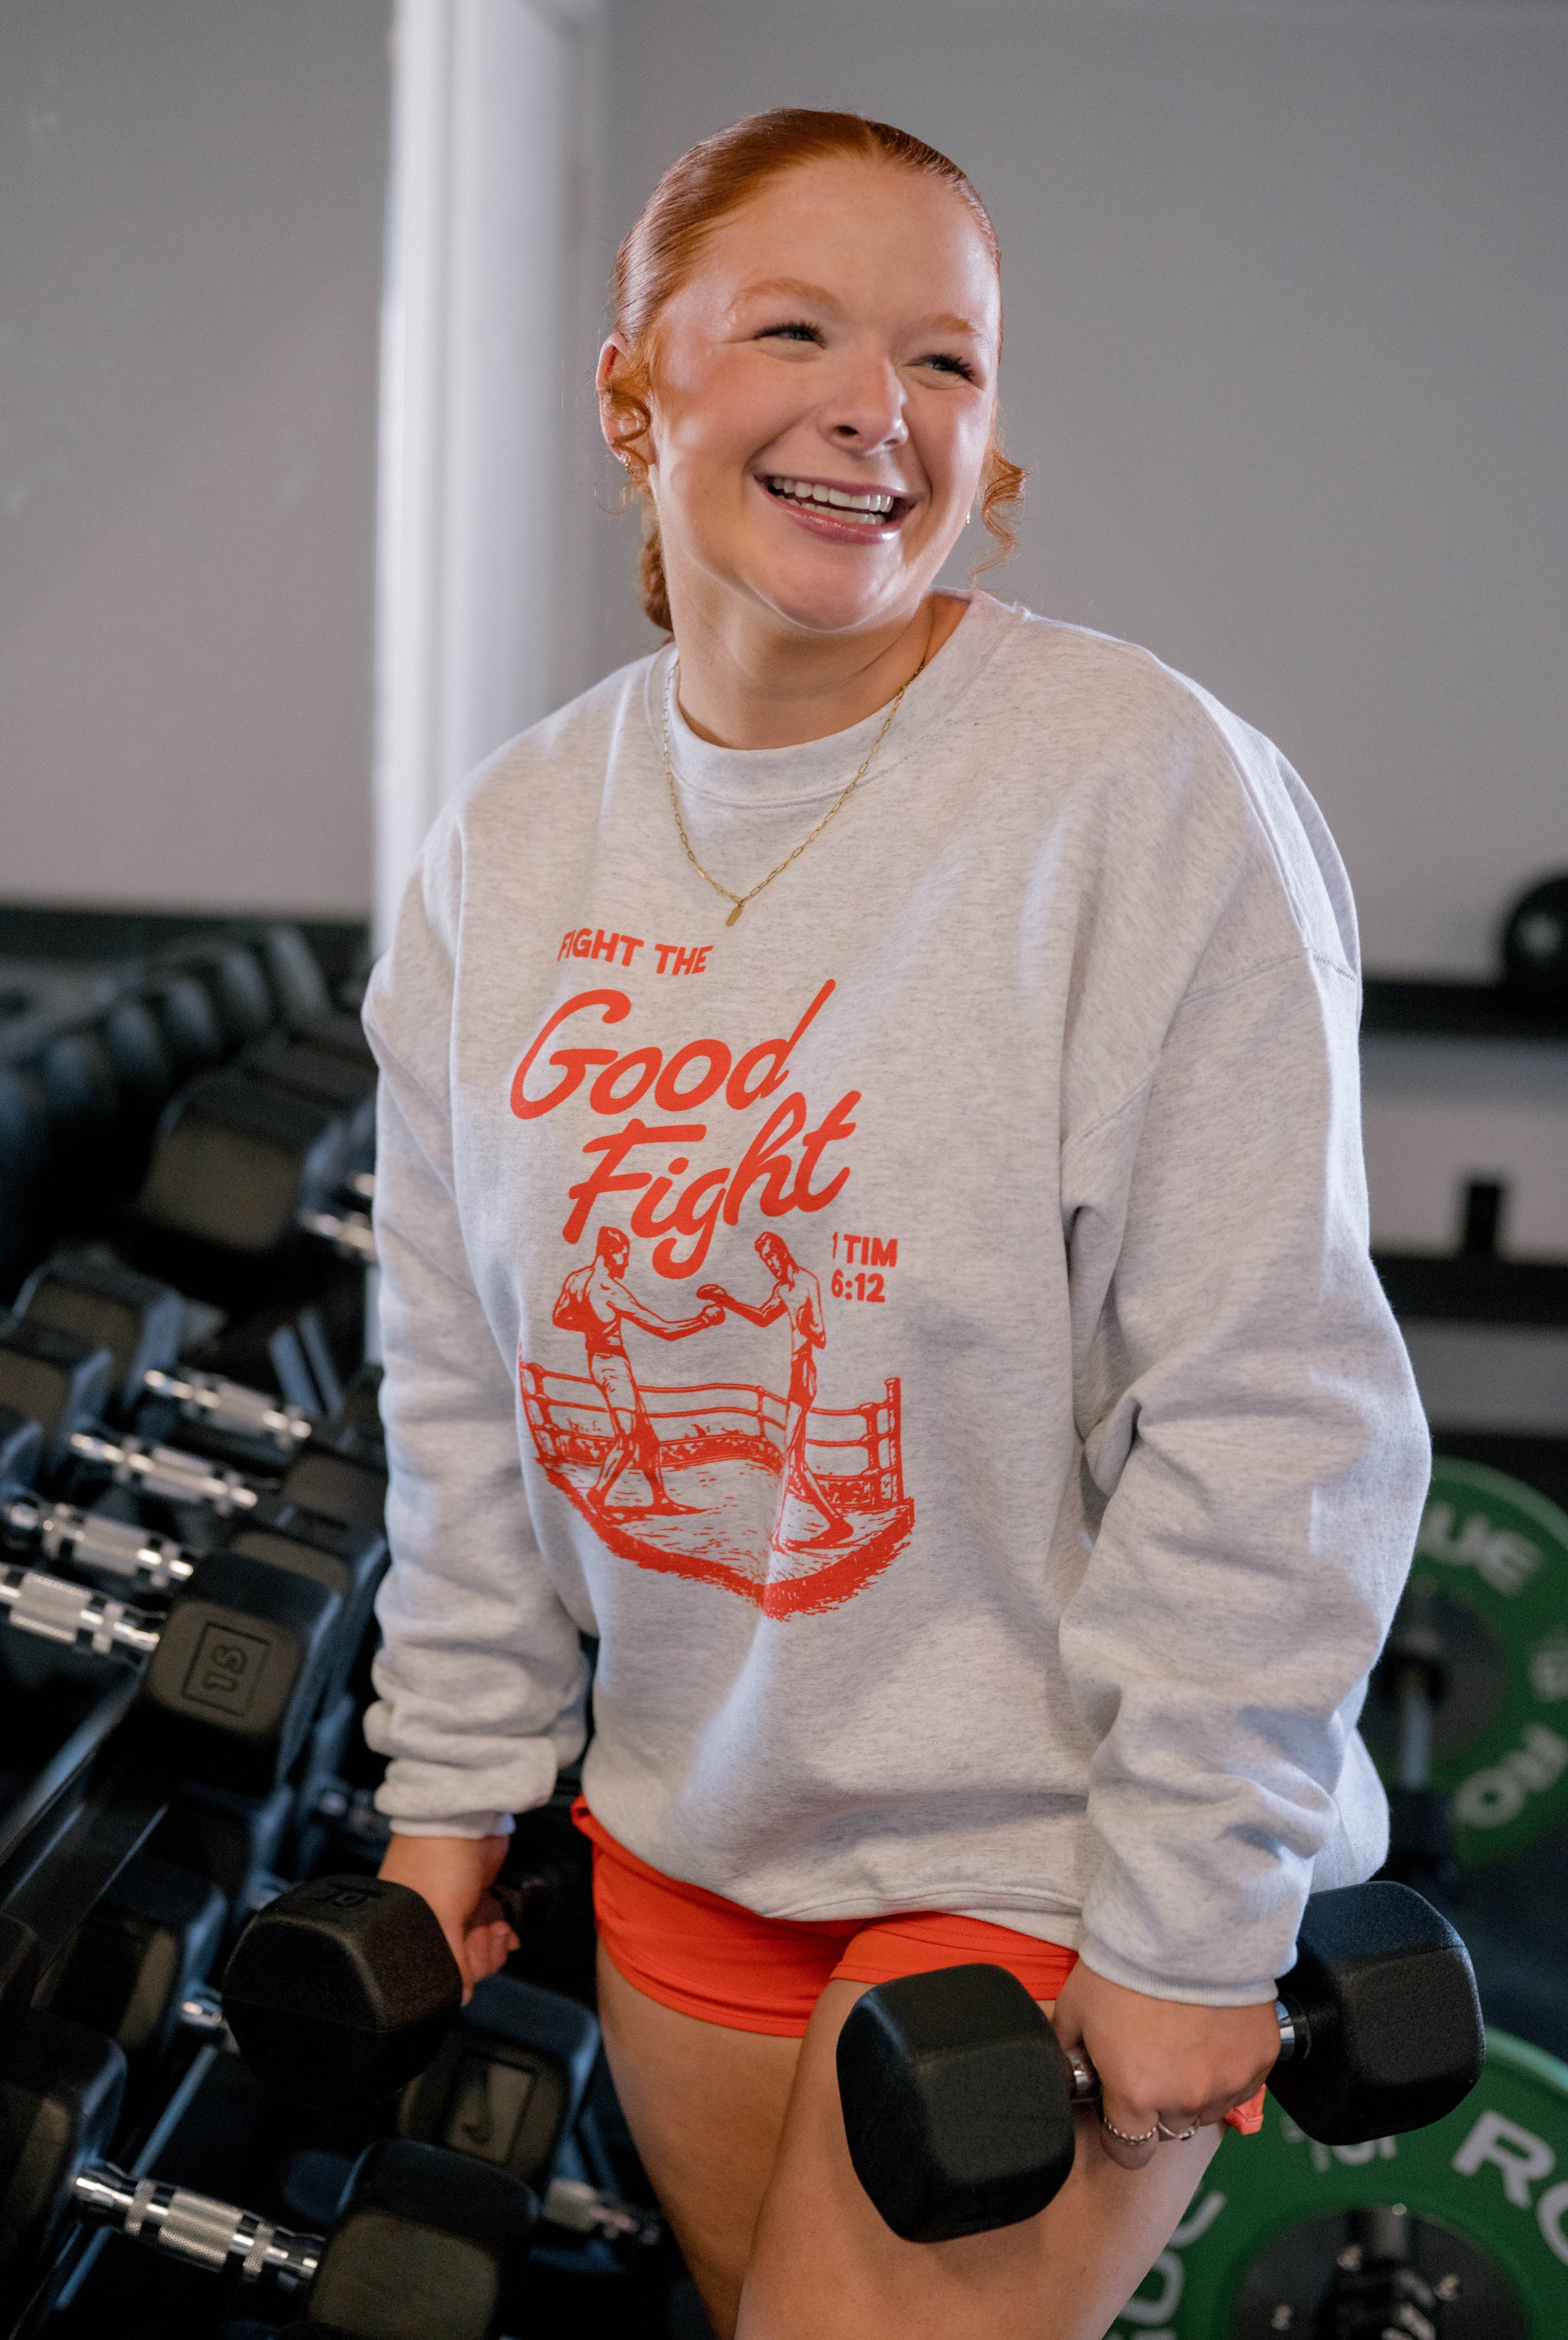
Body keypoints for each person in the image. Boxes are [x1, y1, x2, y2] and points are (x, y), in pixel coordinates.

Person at [363, 109, 1428, 2340]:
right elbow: (463, 1396)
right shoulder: (510, 846)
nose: (878, 407)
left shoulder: (1138, 789)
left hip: (1051, 1845)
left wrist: (1195, 1913)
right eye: (798, 332)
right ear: (633, 390)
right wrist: (450, 1801)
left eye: (944, 359)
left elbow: (1277, 1406)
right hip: (694, 1837)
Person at [556, 1223, 725, 1516]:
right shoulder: (611, 1291)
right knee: (627, 1439)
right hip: (613, 1367)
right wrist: (704, 1321)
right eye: (624, 1254)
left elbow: (560, 1317)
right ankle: (597, 1497)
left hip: (599, 1362)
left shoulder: (577, 1280)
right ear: (610, 1253)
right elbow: (664, 1330)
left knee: (648, 1441)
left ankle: (660, 1501)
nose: (626, 1261)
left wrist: (591, 1324)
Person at [700, 1232, 851, 1548]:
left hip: (806, 1370)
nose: (770, 1263)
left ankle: (783, 1534)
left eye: (772, 1255)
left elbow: (822, 1335)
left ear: (783, 1252)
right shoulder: (782, 1289)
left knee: (788, 1458)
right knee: (796, 1462)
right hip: (795, 1373)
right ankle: (836, 1524)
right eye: (765, 1259)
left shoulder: (806, 1282)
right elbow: (763, 1318)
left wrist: (807, 1325)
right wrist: (727, 1301)